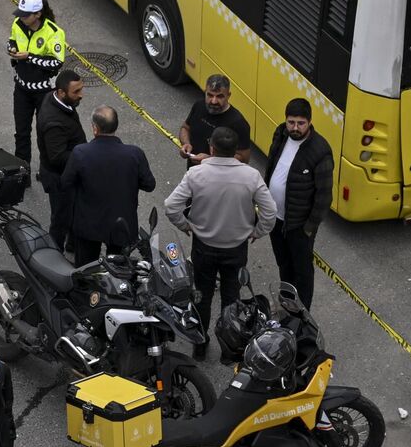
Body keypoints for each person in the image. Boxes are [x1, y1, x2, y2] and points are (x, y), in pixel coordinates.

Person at [166, 126, 276, 360]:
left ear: (211, 148)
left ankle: (201, 343)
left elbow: (171, 206)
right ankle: (230, 348)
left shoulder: (196, 174)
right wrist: (257, 232)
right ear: (236, 151)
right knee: (232, 298)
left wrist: (186, 226)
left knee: (202, 297)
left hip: (203, 247)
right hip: (236, 249)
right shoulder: (251, 176)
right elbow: (270, 213)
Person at [259, 98, 334, 307]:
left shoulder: (320, 150)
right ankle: (287, 304)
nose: (295, 128)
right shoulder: (281, 133)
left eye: (300, 123)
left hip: (299, 226)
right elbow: (271, 166)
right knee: (284, 265)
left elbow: (324, 197)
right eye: (291, 122)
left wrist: (308, 229)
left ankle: (303, 316)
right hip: (276, 219)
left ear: (309, 122)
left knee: (302, 273)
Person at [61, 106, 155, 267]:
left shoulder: (80, 152)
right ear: (116, 126)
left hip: (89, 225)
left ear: (95, 128)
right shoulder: (134, 154)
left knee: (86, 270)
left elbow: (65, 183)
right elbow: (149, 185)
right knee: (119, 271)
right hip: (122, 224)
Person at [7, 0, 66, 163]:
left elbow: (56, 62)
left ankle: (46, 169)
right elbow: (12, 40)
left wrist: (29, 57)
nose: (21, 18)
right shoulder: (18, 24)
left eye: (26, 15)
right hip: (21, 89)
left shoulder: (54, 32)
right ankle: (22, 172)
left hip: (44, 93)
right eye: (20, 14)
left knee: (45, 132)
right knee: (21, 133)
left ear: (38, 14)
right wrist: (11, 49)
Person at [37, 69, 86, 253]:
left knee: (74, 212)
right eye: (76, 92)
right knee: (61, 219)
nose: (81, 95)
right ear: (61, 92)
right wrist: (84, 154)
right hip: (60, 179)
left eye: (81, 89)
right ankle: (54, 255)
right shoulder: (54, 123)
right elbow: (57, 157)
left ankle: (72, 244)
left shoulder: (54, 99)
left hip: (67, 175)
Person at [178, 73, 252, 163]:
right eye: (210, 95)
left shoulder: (238, 123)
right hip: (195, 172)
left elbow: (243, 158)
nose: (213, 101)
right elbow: (185, 128)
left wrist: (210, 160)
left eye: (219, 96)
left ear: (228, 96)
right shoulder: (199, 106)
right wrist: (186, 144)